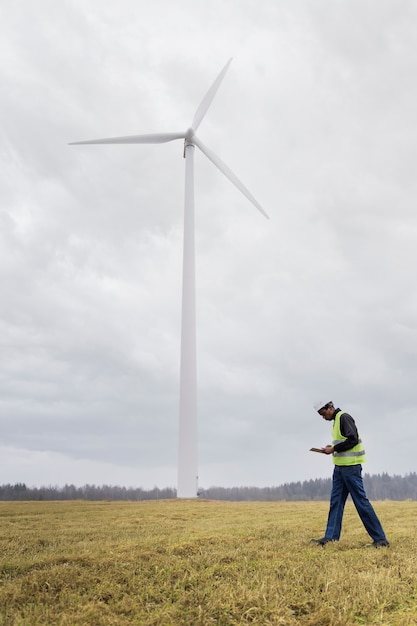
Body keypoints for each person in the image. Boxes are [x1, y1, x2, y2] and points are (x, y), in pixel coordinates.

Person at [310, 400, 389, 547]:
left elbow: (352, 439)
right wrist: (332, 447)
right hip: (339, 468)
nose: (323, 417)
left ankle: (380, 539)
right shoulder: (336, 421)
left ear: (330, 407)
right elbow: (344, 441)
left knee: (361, 502)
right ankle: (331, 537)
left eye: (323, 413)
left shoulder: (344, 417)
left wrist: (333, 449)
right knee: (336, 503)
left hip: (351, 469)